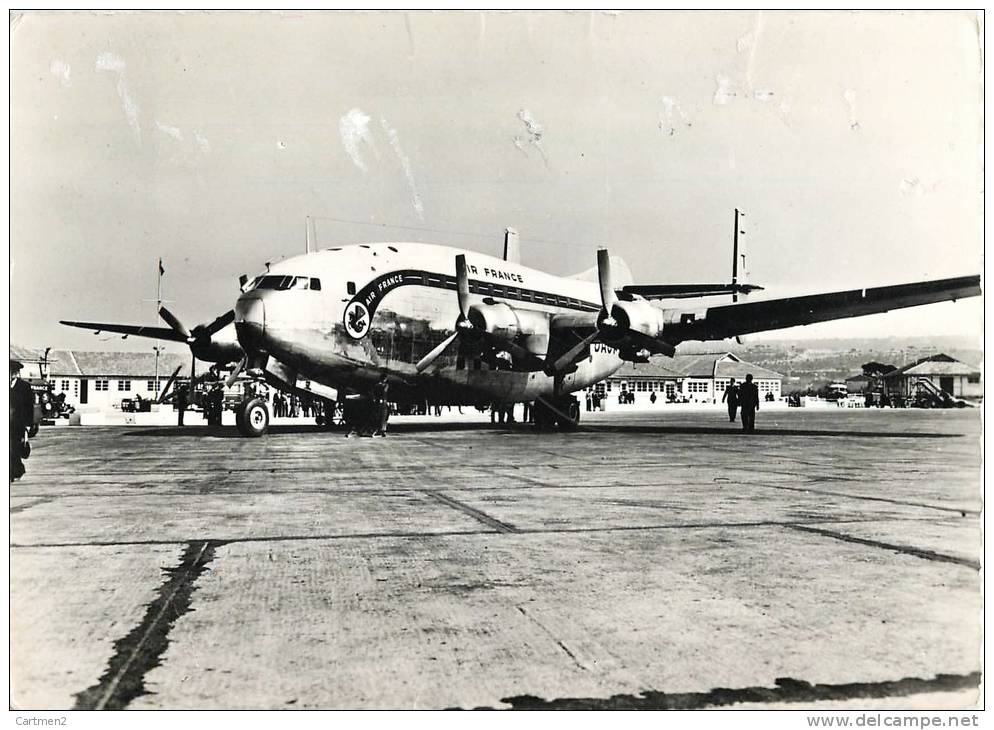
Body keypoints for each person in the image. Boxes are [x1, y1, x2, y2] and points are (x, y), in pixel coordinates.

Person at [10, 360, 35, 482]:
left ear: (15, 373)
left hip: (18, 424)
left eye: (11, 372)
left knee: (14, 448)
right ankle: (14, 471)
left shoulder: (24, 387)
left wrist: (28, 425)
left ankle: (15, 471)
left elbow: (28, 407)